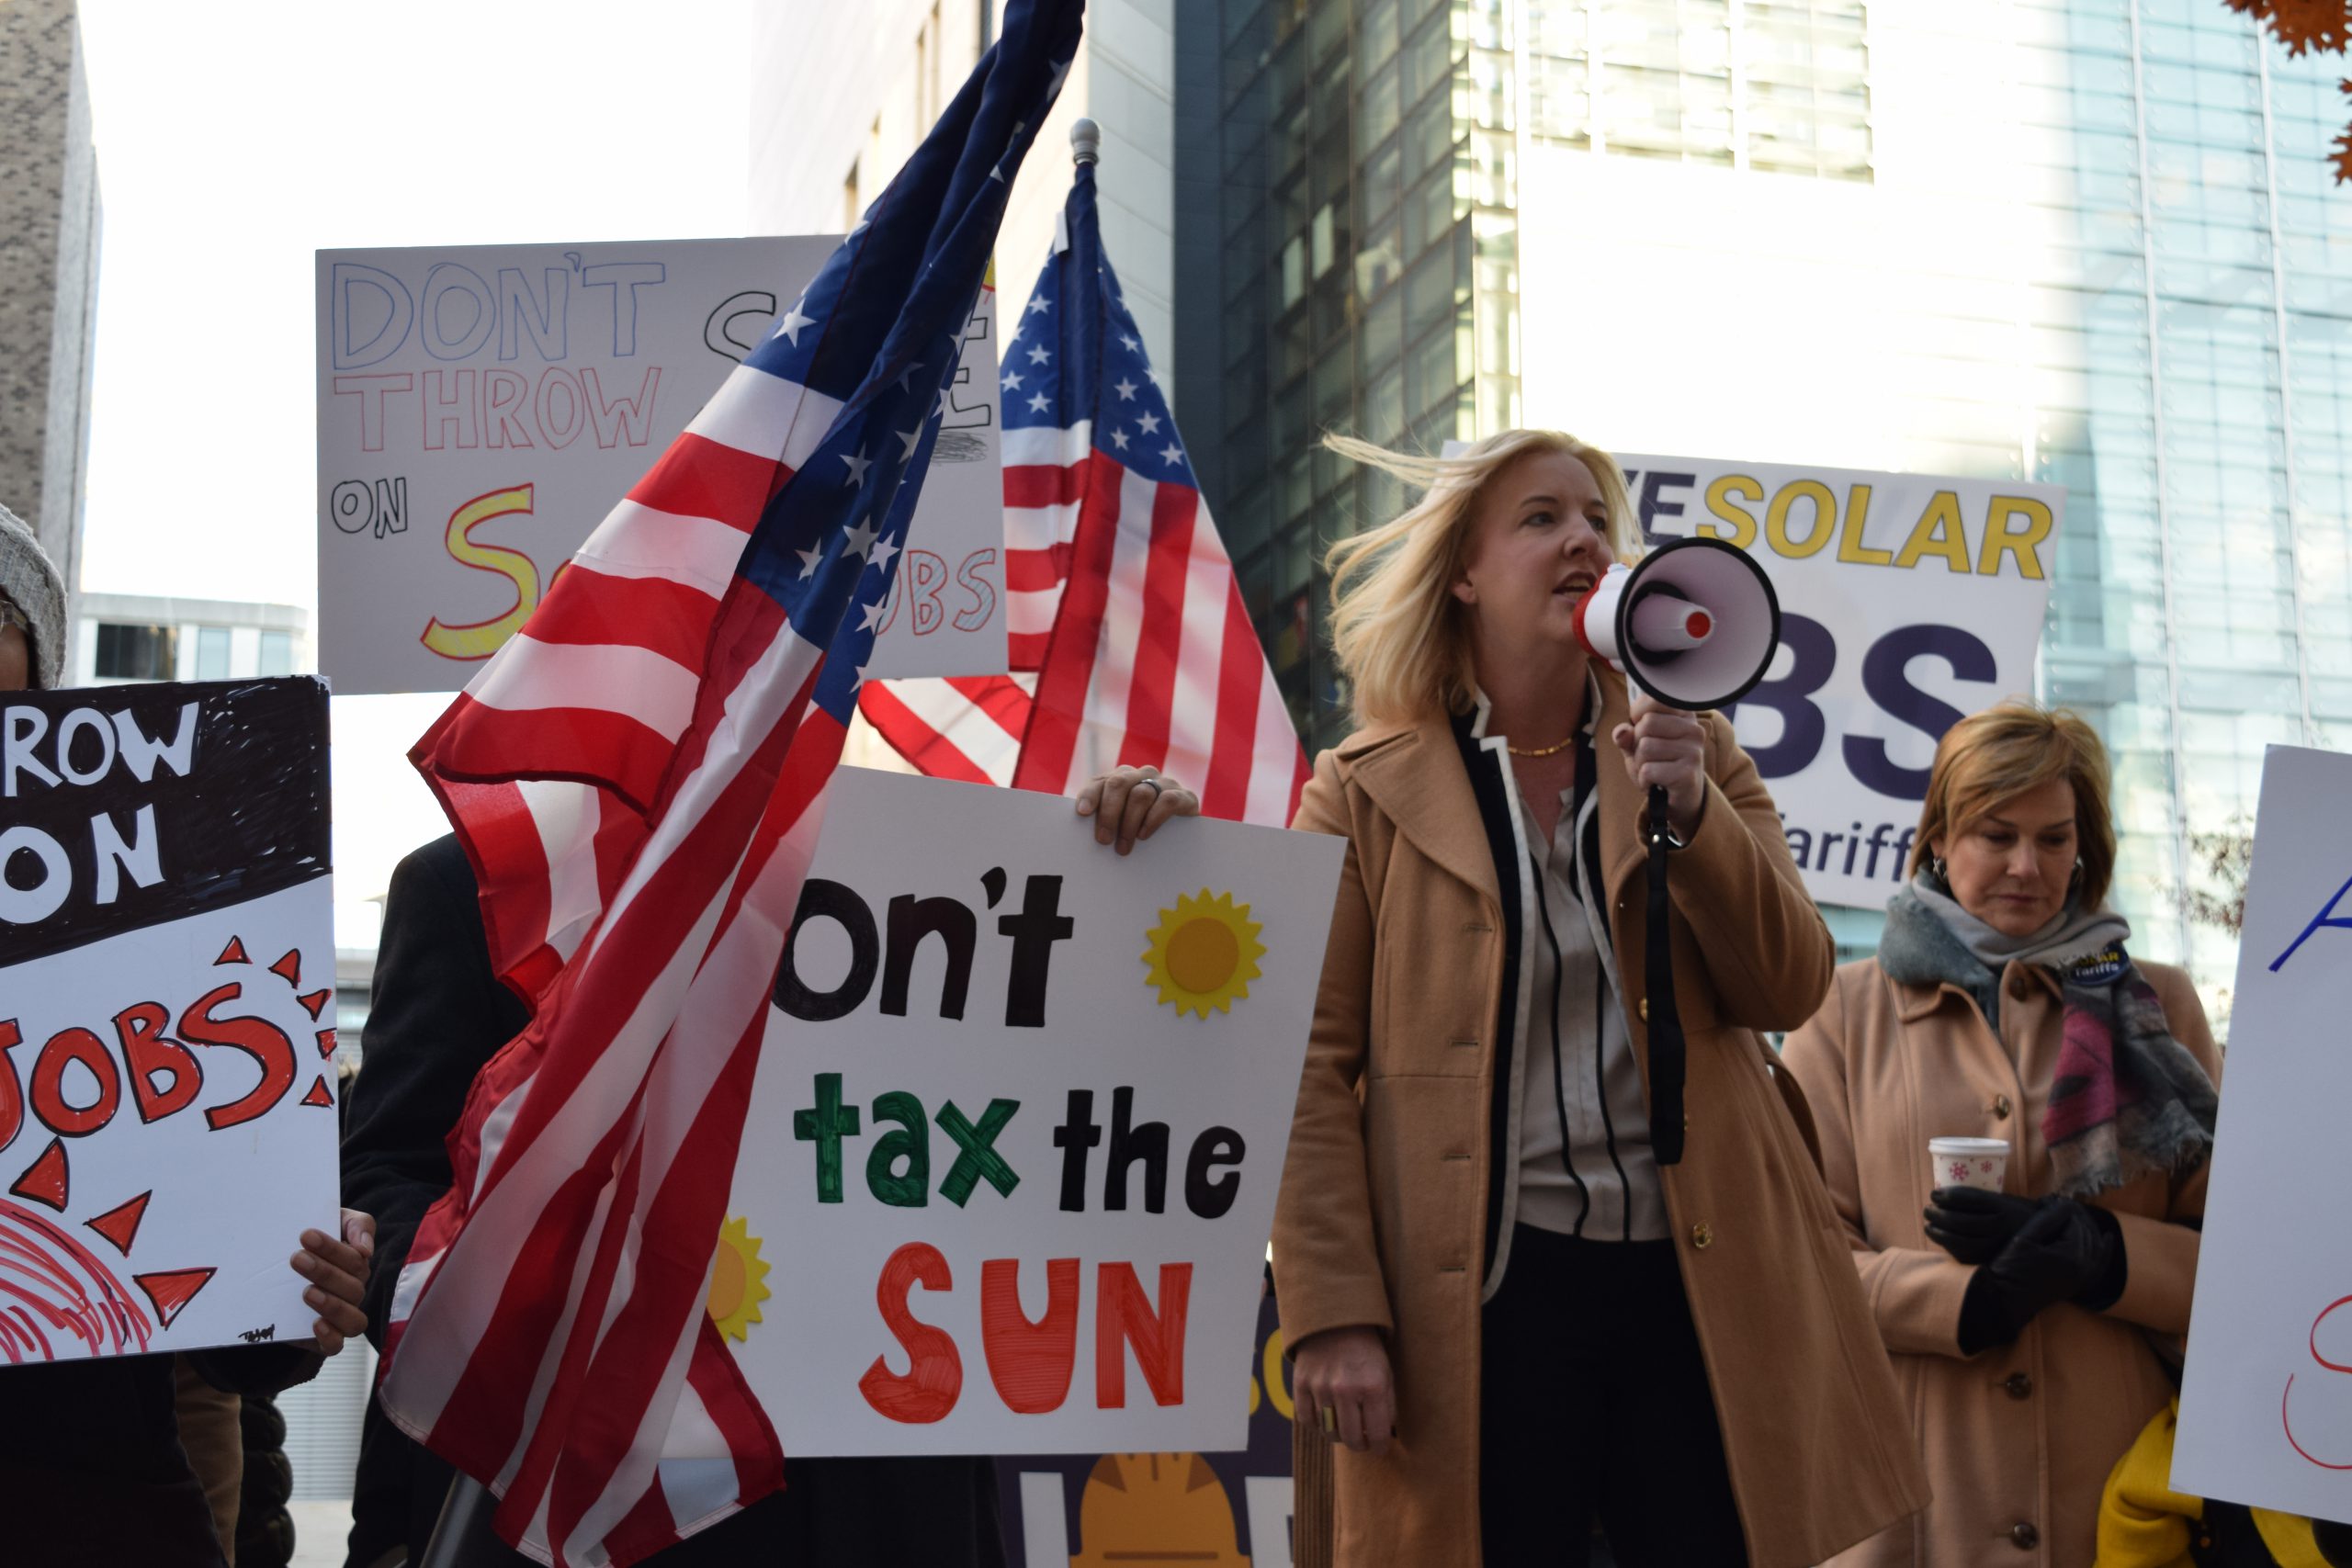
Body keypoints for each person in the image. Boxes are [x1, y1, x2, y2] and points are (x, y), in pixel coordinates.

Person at [1092, 431, 1925, 1568]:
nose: (1583, 537)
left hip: (1700, 1281)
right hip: (1485, 1299)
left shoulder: (1697, 754)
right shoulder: (1361, 792)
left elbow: (1787, 981)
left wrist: (1697, 817)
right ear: (1465, 574)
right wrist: (1332, 1310)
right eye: (1541, 518)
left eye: (1595, 520)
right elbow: (1301, 1064)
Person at [341, 833, 1010, 1567]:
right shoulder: (475, 879)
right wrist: (473, 1312)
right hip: (587, 1483)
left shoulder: (917, 860)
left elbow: (1045, 1113)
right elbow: (392, 1167)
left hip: (869, 1480)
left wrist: (1128, 869)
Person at [0, 501, 377, 1567]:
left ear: (38, 657)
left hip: (84, 1513)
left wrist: (298, 1279)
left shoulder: (161, 895)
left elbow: (237, 1349)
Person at [1781, 701, 2223, 1566]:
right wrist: (1963, 1302)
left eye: (2055, 839)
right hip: (1911, 1509)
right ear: (1939, 838)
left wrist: (2105, 1251)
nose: (2028, 865)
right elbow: (1791, 1259)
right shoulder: (1839, 1010)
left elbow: (2245, 1273)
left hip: (2122, 1507)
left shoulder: (2159, 1004)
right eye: (1996, 833)